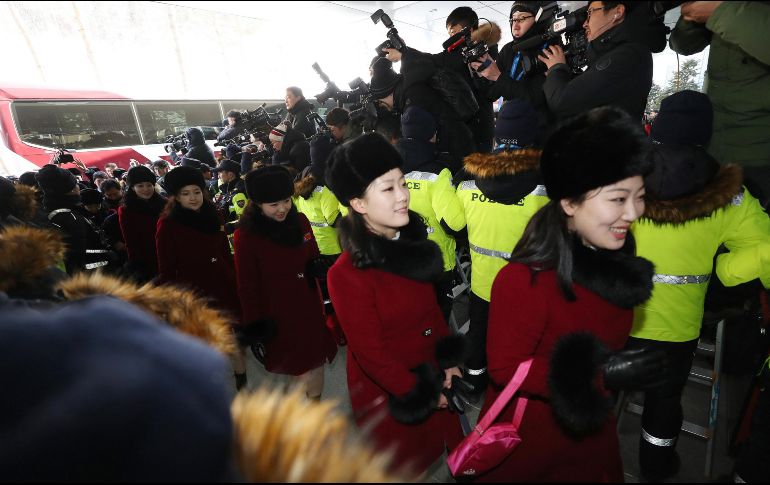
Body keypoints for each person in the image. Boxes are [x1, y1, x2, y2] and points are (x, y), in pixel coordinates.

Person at [478, 107, 665, 482]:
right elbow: (504, 366)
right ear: (569, 202)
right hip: (534, 444)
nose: (633, 213)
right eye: (618, 199)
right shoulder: (524, 280)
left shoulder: (616, 265)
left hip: (593, 438)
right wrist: (600, 374)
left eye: (640, 196)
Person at [629, 90, 770, 482]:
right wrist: (724, 272)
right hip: (679, 325)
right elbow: (765, 249)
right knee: (663, 403)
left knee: (601, 388)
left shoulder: (623, 174)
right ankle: (654, 469)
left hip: (618, 313)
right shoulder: (729, 193)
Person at [325, 132, 466, 474]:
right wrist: (423, 394)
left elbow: (432, 312)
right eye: (388, 189)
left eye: (403, 183)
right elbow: (372, 356)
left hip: (431, 373)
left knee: (452, 454)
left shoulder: (412, 245)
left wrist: (449, 361)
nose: (403, 196)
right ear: (358, 204)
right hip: (392, 393)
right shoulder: (347, 274)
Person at [455, 99, 550, 399]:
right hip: (527, 286)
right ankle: (513, 391)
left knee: (479, 332)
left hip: (483, 281)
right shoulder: (549, 181)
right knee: (521, 340)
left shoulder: (467, 178)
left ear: (498, 133)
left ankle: (474, 382)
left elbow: (454, 225)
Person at [234, 166, 337, 400]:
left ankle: (315, 409)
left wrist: (317, 266)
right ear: (257, 204)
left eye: (286, 201)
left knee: (316, 361)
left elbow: (312, 253)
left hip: (309, 305)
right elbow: (247, 286)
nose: (282, 209)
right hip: (277, 312)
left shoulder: (300, 221)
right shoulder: (246, 236)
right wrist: (255, 326)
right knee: (296, 368)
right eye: (273, 204)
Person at [669, 1, 770, 206]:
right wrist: (691, 15)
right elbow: (682, 45)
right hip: (715, 147)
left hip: (759, 153)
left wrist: (719, 10)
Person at [396, 105, 466, 321]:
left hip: (398, 259)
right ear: (431, 135)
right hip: (435, 263)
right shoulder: (438, 174)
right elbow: (455, 224)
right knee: (436, 323)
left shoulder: (388, 167)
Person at [538, 1, 655, 122]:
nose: (585, 24)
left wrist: (556, 68)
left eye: (590, 13)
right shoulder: (619, 53)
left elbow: (562, 101)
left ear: (618, 12)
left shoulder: (628, 55)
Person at [471, 1, 555, 142]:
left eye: (522, 18)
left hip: (538, 136)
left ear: (539, 19)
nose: (515, 25)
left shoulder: (550, 50)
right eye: (513, 20)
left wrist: (498, 77)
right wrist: (481, 73)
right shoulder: (509, 49)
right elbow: (491, 94)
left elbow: (535, 99)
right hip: (508, 132)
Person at [35, 164, 114, 274]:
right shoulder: (68, 217)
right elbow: (79, 255)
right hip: (92, 275)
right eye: (75, 183)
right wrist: (108, 255)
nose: (78, 186)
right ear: (70, 190)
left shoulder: (59, 211)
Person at [118, 166, 167, 282]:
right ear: (132, 187)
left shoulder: (165, 203)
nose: (146, 189)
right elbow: (130, 240)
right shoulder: (126, 209)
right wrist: (137, 264)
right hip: (146, 257)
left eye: (149, 185)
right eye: (140, 186)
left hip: (167, 252)